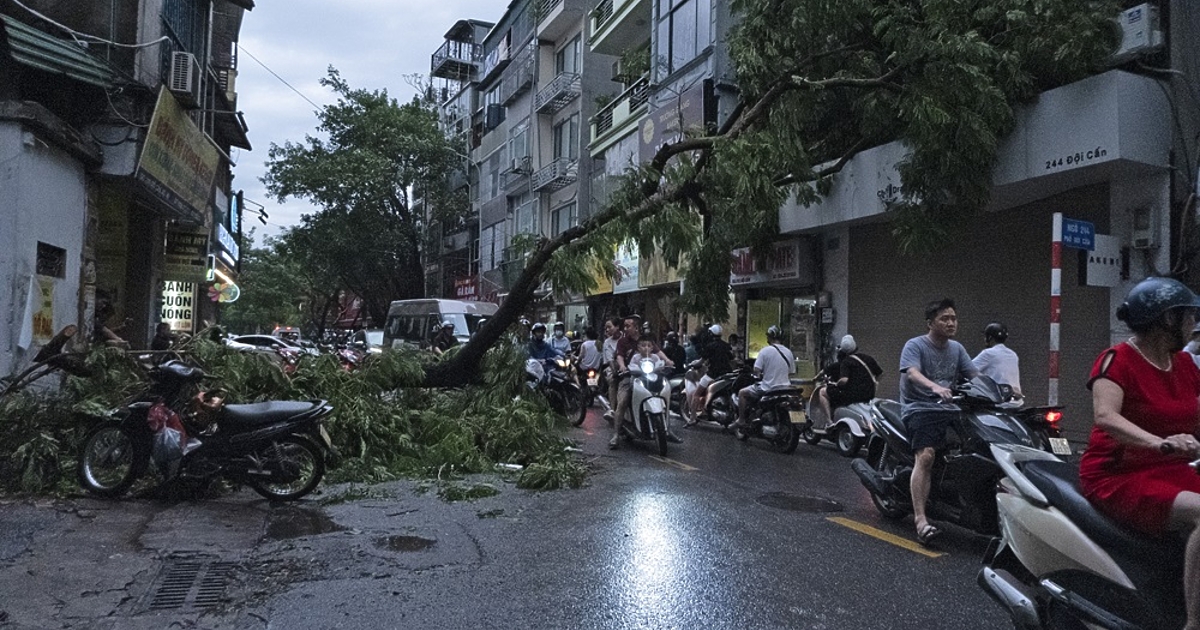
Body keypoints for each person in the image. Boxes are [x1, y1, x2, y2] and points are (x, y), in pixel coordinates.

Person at [1079, 277, 1200, 630]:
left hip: (1170, 468)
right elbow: (1106, 416)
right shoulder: (1117, 359)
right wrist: (1158, 443)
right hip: (1118, 473)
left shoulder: (1184, 366)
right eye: (1190, 317)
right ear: (1168, 320)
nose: (1195, 325)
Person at [900, 298, 978, 546]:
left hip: (949, 408)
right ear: (930, 323)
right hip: (919, 407)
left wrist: (1003, 390)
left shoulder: (957, 349)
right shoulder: (915, 345)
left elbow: (976, 376)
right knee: (926, 456)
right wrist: (935, 387)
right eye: (945, 318)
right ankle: (921, 520)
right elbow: (912, 373)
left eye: (953, 318)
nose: (951, 323)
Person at [611, 314, 677, 449]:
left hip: (649, 376)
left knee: (665, 394)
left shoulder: (646, 340)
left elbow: (659, 354)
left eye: (628, 326)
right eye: (625, 326)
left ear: (636, 328)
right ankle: (616, 434)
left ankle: (667, 429)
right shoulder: (623, 341)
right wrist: (623, 366)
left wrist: (668, 361)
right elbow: (619, 357)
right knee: (623, 401)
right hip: (630, 376)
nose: (625, 328)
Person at [813, 334, 883, 426]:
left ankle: (829, 422)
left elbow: (844, 380)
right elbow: (880, 374)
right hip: (869, 394)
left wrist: (837, 384)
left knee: (822, 392)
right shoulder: (867, 358)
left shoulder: (846, 362)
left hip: (852, 395)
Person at [734, 326, 796, 429]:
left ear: (770, 337)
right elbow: (791, 373)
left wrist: (761, 374)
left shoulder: (765, 351)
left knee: (742, 393)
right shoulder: (788, 352)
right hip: (785, 388)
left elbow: (757, 370)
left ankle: (741, 420)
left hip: (768, 388)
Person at [689, 324, 735, 422]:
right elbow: (731, 359)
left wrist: (693, 364)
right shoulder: (725, 345)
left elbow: (701, 361)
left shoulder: (709, 346)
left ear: (710, 334)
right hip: (727, 374)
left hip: (713, 373)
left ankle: (692, 417)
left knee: (696, 393)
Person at [973, 322, 1022, 400]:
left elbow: (968, 369)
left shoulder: (988, 353)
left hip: (998, 400)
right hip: (1016, 400)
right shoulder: (1013, 355)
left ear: (989, 337)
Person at [602, 317, 623, 422]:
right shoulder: (607, 343)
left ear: (617, 327)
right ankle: (612, 409)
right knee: (612, 381)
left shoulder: (626, 338)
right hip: (612, 368)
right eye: (606, 328)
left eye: (609, 327)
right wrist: (615, 373)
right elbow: (610, 360)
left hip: (628, 367)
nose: (607, 330)